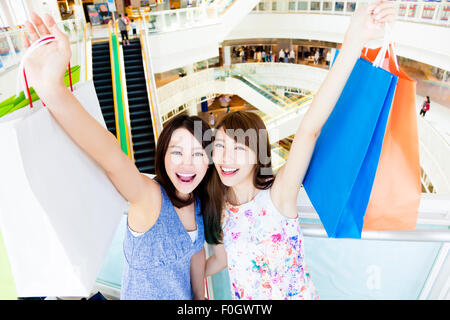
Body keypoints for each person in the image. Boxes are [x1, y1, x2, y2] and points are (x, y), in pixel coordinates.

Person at [203, 1, 396, 300]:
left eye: (239, 148)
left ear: (258, 156)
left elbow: (309, 130)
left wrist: (355, 38)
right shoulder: (219, 205)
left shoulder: (278, 194)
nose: (226, 158)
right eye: (220, 146)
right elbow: (224, 258)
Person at [22, 12, 215, 300]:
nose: (187, 163)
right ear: (162, 155)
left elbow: (196, 259)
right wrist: (53, 89)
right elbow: (111, 156)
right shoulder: (149, 197)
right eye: (177, 151)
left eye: (198, 153)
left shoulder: (199, 201)